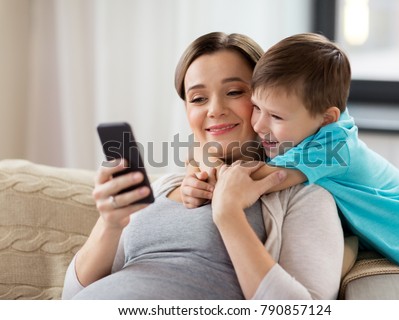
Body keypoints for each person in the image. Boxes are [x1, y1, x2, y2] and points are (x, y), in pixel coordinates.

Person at [61, 32, 344, 300]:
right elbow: (72, 297)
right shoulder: (165, 187)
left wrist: (228, 213)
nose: (215, 109)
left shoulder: (303, 196)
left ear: (267, 95)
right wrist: (110, 224)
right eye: (198, 98)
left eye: (234, 91)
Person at [248, 33, 399, 298]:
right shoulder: (314, 130)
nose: (259, 125)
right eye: (256, 107)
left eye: (275, 116)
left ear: (326, 118)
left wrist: (206, 163)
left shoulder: (333, 149)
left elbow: (256, 179)